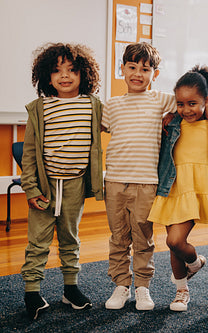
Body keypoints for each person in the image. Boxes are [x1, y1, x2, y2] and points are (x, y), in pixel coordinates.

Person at [102, 43, 208, 311]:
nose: (138, 73)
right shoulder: (112, 105)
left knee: (145, 239)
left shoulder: (162, 100)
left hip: (153, 183)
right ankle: (123, 285)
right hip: (131, 183)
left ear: (154, 74)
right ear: (122, 69)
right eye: (132, 67)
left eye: (145, 69)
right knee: (121, 238)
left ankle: (143, 287)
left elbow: (197, 102)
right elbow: (93, 130)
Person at [21, 43, 103, 320]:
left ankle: (71, 288)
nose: (64, 76)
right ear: (46, 76)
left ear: (84, 74)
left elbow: (121, 121)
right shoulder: (40, 108)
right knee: (38, 241)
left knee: (70, 238)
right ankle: (32, 290)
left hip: (75, 185)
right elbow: (30, 153)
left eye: (71, 70)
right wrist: (30, 188)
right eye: (57, 71)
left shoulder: (92, 105)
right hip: (44, 186)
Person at [147, 65, 208, 312]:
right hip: (173, 185)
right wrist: (171, 115)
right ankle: (181, 291)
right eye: (181, 104)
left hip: (198, 188)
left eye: (193, 103)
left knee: (175, 240)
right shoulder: (173, 123)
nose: (186, 109)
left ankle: (195, 263)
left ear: (206, 101)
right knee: (174, 244)